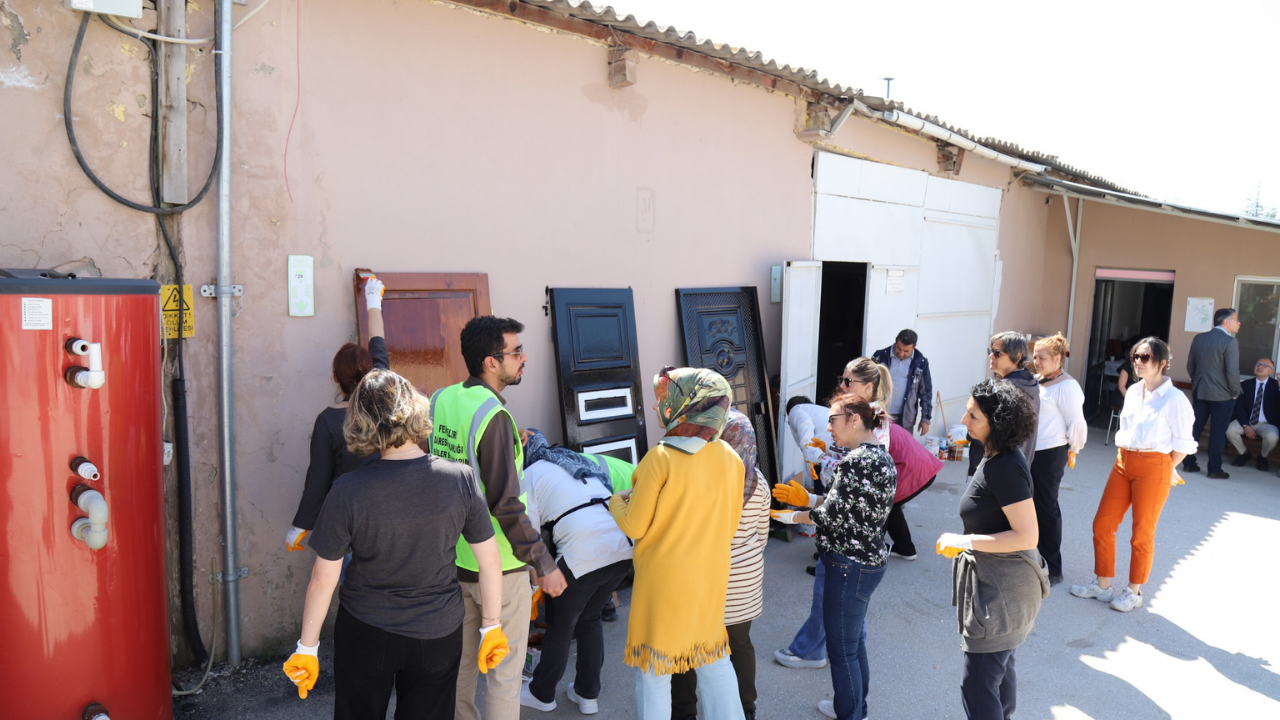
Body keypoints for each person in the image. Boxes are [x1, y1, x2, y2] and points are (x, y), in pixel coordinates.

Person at [281, 369, 510, 719]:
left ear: (360, 422)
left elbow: (323, 579)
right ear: (416, 410)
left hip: (365, 632)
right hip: (439, 633)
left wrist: (307, 648)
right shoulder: (460, 479)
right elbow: (490, 562)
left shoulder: (348, 490)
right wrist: (491, 626)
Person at [429, 316, 567, 720]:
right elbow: (505, 503)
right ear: (491, 362)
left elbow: (453, 461)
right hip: (501, 569)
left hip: (455, 562)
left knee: (461, 670)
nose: (524, 358)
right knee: (505, 677)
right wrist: (543, 564)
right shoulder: (493, 417)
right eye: (516, 352)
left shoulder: (441, 400)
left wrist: (508, 445)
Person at [609, 367, 745, 720]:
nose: (657, 409)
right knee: (713, 660)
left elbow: (634, 525)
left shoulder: (661, 457)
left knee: (654, 671)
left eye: (662, 401)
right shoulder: (731, 457)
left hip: (664, 582)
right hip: (709, 578)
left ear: (685, 405)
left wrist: (615, 499)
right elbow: (730, 525)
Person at [772, 395, 898, 720]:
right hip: (866, 562)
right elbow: (845, 504)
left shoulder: (857, 461)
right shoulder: (878, 455)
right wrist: (811, 497)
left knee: (842, 653)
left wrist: (790, 517)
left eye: (832, 420)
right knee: (853, 646)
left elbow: (830, 517)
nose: (828, 428)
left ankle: (850, 712)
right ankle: (856, 707)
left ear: (854, 419)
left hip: (848, 565)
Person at [937, 380, 1049, 720]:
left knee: (978, 687)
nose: (965, 419)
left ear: (996, 423)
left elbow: (1027, 536)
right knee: (999, 673)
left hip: (1003, 593)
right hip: (1003, 588)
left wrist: (964, 541)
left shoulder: (1005, 467)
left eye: (973, 415)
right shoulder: (997, 455)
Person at [1072, 337, 1195, 613]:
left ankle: (1134, 591)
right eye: (1136, 357)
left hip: (1154, 465)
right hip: (1122, 461)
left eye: (1145, 358)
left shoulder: (1174, 399)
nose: (1138, 362)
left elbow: (1185, 444)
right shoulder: (1133, 391)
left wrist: (1165, 468)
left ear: (1162, 363)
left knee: (1142, 532)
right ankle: (1102, 586)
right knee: (1102, 524)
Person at [518, 430, 634, 716]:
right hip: (622, 548)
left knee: (561, 623)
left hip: (583, 551)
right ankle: (587, 694)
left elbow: (529, 535)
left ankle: (541, 693)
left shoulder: (530, 474)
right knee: (590, 617)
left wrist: (534, 584)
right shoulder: (573, 460)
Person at [672, 410, 771, 720]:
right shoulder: (760, 482)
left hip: (705, 584)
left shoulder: (703, 480)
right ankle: (746, 710)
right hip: (744, 588)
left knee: (686, 647)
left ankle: (684, 712)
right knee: (739, 646)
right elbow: (762, 536)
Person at [286, 276, 390, 553]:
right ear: (373, 371)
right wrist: (372, 298)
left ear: (335, 377)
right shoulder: (386, 393)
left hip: (351, 522)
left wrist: (301, 526)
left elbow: (318, 477)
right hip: (395, 513)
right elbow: (377, 340)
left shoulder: (328, 421)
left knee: (353, 589)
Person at [1030, 333, 1087, 586]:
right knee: (1027, 505)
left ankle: (1053, 568)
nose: (1036, 361)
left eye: (1041, 357)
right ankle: (1031, 558)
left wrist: (1074, 448)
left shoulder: (1067, 386)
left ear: (1057, 359)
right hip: (1031, 450)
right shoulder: (1038, 381)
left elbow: (1076, 424)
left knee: (1046, 506)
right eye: (1034, 356)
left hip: (1051, 453)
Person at [968, 332, 1039, 477]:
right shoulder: (1030, 383)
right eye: (990, 351)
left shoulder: (1008, 389)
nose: (991, 356)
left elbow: (993, 432)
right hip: (1017, 464)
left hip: (999, 467)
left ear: (1018, 356)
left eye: (997, 353)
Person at [1183, 307, 1243, 478]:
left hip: (1201, 392)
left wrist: (1198, 382)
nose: (1239, 323)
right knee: (1218, 432)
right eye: (1236, 319)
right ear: (1226, 321)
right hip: (1223, 395)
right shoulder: (1230, 342)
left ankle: (1188, 463)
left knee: (1195, 428)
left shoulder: (1199, 338)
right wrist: (1235, 392)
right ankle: (1214, 469)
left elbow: (1190, 366)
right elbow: (1233, 371)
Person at [882, 418, 944, 561]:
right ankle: (906, 549)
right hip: (925, 467)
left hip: (914, 472)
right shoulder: (887, 426)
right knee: (891, 506)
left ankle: (872, 549)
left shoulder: (876, 434)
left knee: (882, 503)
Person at [872, 328, 934, 436]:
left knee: (902, 451)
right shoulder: (879, 357)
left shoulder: (921, 363)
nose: (901, 353)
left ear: (914, 346)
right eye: (898, 348)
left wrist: (925, 419)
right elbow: (866, 383)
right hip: (880, 415)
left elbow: (926, 393)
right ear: (895, 341)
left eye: (906, 351)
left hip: (905, 420)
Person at [1226, 357, 1280, 471]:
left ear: (1271, 372)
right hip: (1247, 420)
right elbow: (1239, 406)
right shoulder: (1246, 385)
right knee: (1230, 430)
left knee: (1272, 436)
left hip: (1267, 423)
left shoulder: (1276, 386)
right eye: (1258, 364)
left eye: (1265, 365)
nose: (1260, 367)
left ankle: (1262, 457)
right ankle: (1244, 453)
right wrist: (1246, 425)